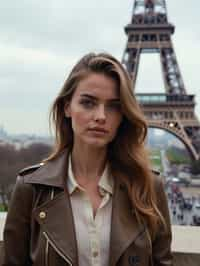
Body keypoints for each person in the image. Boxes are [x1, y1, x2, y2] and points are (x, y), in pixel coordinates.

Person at [2, 53, 173, 266]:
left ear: (123, 116)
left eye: (113, 106)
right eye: (88, 103)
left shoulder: (149, 187)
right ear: (67, 107)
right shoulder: (30, 189)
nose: (101, 116)